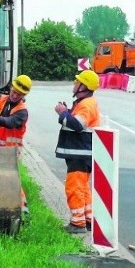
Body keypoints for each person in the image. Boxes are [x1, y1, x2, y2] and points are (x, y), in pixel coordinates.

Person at [54, 70, 101, 234]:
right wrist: (67, 111)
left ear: (84, 87)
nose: (74, 85)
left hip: (80, 154)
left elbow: (78, 125)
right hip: (81, 154)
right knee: (83, 188)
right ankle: (87, 220)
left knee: (74, 188)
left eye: (77, 82)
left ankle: (77, 223)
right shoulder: (84, 103)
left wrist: (63, 113)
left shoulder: (86, 104)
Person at [0, 74, 32, 214]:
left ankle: (22, 209)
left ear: (23, 95)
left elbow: (10, 122)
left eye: (19, 94)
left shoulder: (22, 111)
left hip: (10, 152)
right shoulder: (1, 98)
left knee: (10, 178)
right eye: (14, 92)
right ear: (11, 88)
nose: (15, 95)